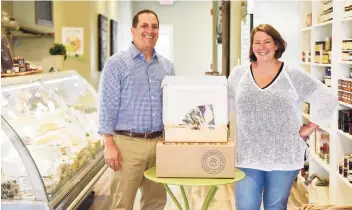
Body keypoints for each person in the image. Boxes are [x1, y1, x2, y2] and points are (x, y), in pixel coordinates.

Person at [228, 24, 337, 210]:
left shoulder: (292, 74)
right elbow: (225, 104)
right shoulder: (239, 74)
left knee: (275, 206)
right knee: (245, 206)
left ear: (277, 45)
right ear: (252, 47)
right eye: (257, 43)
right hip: (247, 154)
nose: (262, 47)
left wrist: (311, 126)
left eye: (267, 42)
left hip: (283, 156)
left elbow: (326, 96)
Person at [98, 9, 175, 210]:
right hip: (126, 145)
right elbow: (107, 105)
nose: (150, 31)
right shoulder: (116, 64)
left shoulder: (167, 66)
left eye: (154, 26)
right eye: (144, 26)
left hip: (159, 144)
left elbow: (172, 105)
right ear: (133, 30)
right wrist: (109, 144)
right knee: (122, 204)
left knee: (156, 202)